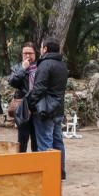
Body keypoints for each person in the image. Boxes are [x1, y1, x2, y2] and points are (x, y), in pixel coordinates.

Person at [28, 39, 68, 179]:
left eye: (41, 47)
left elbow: (39, 88)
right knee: (58, 141)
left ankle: (48, 176)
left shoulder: (45, 64)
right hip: (58, 108)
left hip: (45, 109)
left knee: (45, 142)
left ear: (45, 49)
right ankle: (60, 173)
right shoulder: (62, 65)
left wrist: (31, 104)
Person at [8, 42, 38, 152]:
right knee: (22, 138)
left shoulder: (41, 67)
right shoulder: (17, 68)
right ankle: (22, 164)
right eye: (25, 53)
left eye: (30, 53)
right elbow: (13, 82)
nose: (28, 56)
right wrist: (23, 69)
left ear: (35, 54)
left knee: (36, 139)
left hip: (37, 107)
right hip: (23, 107)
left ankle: (36, 164)